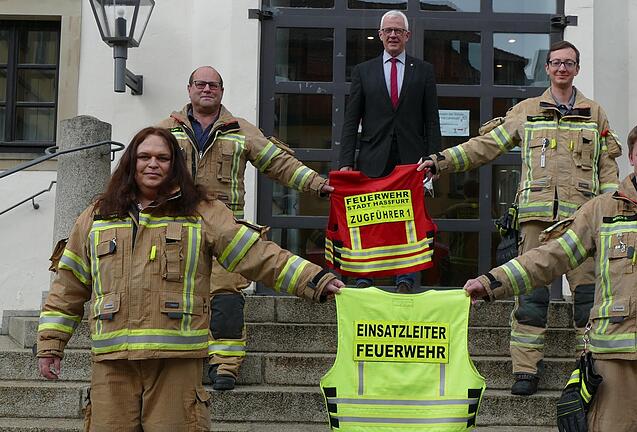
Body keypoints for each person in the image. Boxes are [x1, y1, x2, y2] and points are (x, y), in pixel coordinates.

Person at [36, 127, 343, 431]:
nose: (153, 164)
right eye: (144, 156)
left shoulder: (201, 213)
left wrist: (313, 279)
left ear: (175, 165)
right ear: (131, 162)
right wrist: (51, 345)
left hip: (176, 362)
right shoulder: (97, 216)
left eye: (162, 157)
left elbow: (256, 254)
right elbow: (69, 285)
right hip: (112, 365)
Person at [464, 120, 637, 431]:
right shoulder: (600, 211)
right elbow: (550, 257)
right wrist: (491, 282)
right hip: (612, 355)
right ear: (631, 158)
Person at [418, 40, 622, 395]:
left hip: (583, 224)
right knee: (530, 297)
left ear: (577, 68)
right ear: (547, 69)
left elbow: (608, 169)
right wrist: (441, 161)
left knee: (589, 299)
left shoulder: (595, 113)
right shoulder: (526, 110)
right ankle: (526, 369)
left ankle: (589, 366)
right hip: (536, 221)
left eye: (568, 63)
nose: (561, 68)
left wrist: (611, 215)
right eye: (556, 63)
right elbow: (486, 146)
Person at [157, 66, 333, 390]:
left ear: (221, 92)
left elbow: (279, 163)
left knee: (225, 299)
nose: (206, 89)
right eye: (200, 84)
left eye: (213, 85)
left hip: (228, 233)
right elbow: (141, 170)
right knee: (177, 299)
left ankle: (225, 367)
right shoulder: (165, 131)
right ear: (189, 88)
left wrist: (317, 185)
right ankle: (177, 364)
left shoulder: (240, 130)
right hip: (177, 231)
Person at [339, 10, 441, 293]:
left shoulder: (423, 71)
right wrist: (346, 162)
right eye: (388, 31)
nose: (393, 35)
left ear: (407, 36)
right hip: (372, 156)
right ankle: (365, 277)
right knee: (371, 217)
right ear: (380, 35)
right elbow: (351, 120)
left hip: (411, 160)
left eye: (398, 30)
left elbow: (432, 120)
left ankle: (405, 277)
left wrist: (434, 159)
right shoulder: (363, 71)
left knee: (407, 219)